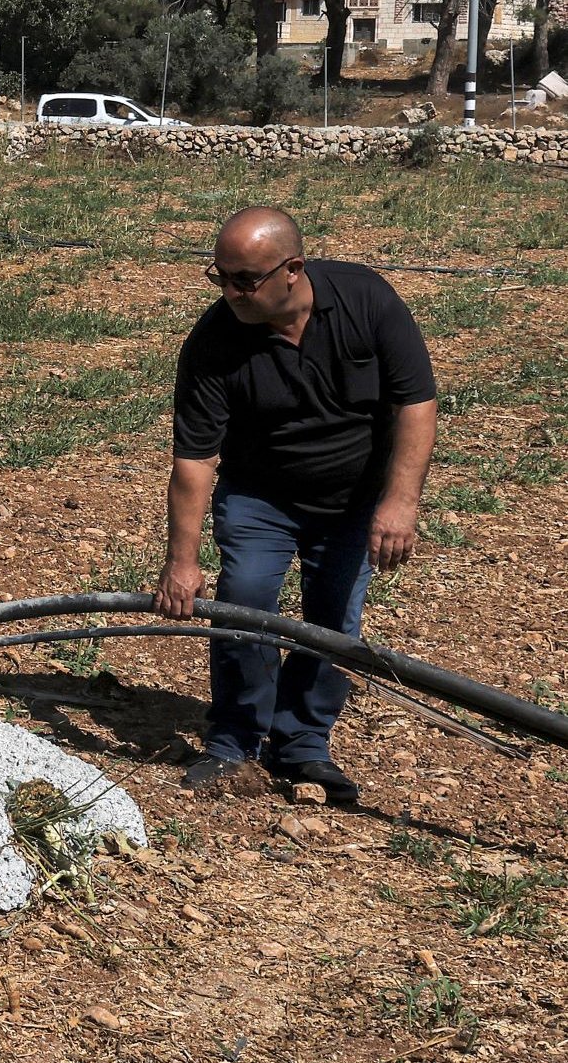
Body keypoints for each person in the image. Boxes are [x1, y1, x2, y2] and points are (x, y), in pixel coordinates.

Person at [157, 206, 438, 807]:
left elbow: (415, 403)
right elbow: (196, 458)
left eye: (244, 280)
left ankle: (303, 746)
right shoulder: (214, 342)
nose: (231, 292)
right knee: (245, 604)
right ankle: (233, 743)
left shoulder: (366, 301)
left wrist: (399, 501)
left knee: (332, 625)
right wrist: (182, 559)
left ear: (293, 270)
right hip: (260, 497)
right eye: (221, 277)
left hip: (352, 501)